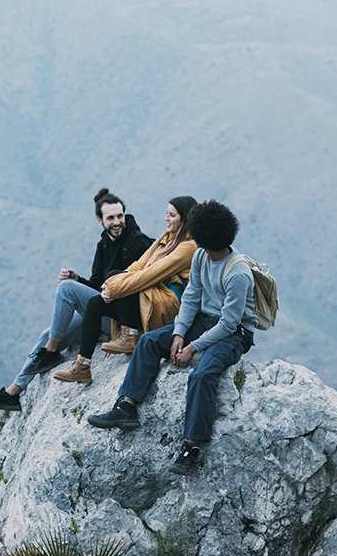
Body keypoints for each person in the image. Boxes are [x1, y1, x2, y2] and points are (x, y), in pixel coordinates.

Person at [86, 198, 255, 470]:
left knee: (203, 373)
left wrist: (192, 347)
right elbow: (191, 297)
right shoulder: (201, 255)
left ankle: (192, 447)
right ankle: (126, 406)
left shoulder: (237, 273)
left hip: (234, 333)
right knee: (150, 341)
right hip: (203, 319)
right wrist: (178, 333)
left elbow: (229, 324)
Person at [0, 188, 152, 411]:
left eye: (119, 216)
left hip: (127, 323)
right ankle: (14, 392)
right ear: (100, 220)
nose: (117, 222)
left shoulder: (138, 243)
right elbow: (98, 285)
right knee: (48, 332)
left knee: (66, 289)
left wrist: (119, 333)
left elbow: (142, 289)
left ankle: (51, 352)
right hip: (103, 311)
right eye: (110, 218)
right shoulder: (104, 245)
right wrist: (77, 278)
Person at [52, 195, 198, 386]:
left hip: (165, 304)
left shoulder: (189, 247)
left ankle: (131, 336)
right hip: (149, 297)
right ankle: (83, 366)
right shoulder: (166, 238)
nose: (166, 218)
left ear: (185, 218)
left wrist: (114, 287)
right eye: (167, 214)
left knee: (121, 282)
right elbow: (139, 265)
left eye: (171, 215)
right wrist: (111, 283)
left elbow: (151, 275)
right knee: (96, 302)